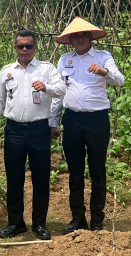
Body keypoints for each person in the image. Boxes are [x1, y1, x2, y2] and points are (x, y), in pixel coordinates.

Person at [0, 29, 64, 241]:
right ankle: (15, 223)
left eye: (28, 46)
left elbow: (61, 90)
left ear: (35, 48)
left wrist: (46, 87)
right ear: (15, 48)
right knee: (14, 178)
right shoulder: (7, 71)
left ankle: (39, 223)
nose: (24, 50)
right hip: (14, 130)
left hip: (39, 129)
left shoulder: (46, 69)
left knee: (41, 178)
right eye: (20, 46)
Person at [51, 17, 124, 234]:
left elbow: (120, 80)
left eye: (84, 35)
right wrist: (53, 121)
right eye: (76, 35)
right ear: (71, 39)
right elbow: (58, 92)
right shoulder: (65, 60)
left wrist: (104, 72)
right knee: (74, 172)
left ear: (91, 37)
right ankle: (77, 218)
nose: (80, 38)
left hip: (97, 121)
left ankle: (97, 219)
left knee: (97, 170)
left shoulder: (103, 57)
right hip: (72, 120)